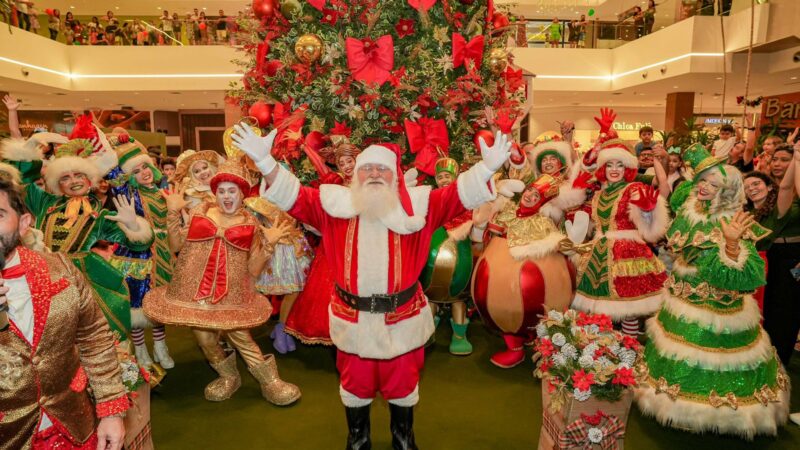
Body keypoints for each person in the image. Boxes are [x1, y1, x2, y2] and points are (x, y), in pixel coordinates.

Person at [232, 123, 509, 449]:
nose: (375, 174)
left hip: (402, 321)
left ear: (394, 176)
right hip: (353, 321)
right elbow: (293, 195)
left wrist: (488, 166)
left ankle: (403, 438)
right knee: (354, 388)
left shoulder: (419, 208)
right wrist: (265, 162)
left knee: (404, 389)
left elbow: (458, 194)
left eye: (382, 168)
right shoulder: (333, 207)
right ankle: (358, 438)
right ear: (355, 176)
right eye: (367, 169)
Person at [635, 145, 789, 439]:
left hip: (715, 307)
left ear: (728, 191)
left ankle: (710, 413)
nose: (703, 187)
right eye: (702, 181)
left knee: (709, 356)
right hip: (682, 297)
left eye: (712, 184)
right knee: (675, 347)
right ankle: (672, 404)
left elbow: (747, 276)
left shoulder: (732, 219)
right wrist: (663, 161)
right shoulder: (691, 206)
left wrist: (731, 244)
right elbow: (669, 191)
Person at [145, 158, 301, 405]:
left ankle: (271, 383)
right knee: (205, 340)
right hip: (196, 294)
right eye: (222, 191)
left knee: (242, 338)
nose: (227, 196)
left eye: (232, 191)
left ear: (242, 195)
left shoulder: (250, 224)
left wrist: (268, 244)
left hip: (231, 295)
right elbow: (175, 246)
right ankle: (229, 377)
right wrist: (173, 212)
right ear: (215, 192)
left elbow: (253, 269)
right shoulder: (201, 213)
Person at [0, 173, 130, 450]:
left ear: (23, 223)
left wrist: (111, 409)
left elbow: (94, 337)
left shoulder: (61, 269)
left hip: (75, 425)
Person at [571, 139, 669, 335]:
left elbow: (650, 221)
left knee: (628, 308)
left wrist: (649, 211)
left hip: (627, 253)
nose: (614, 169)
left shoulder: (633, 189)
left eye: (620, 165)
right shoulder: (598, 194)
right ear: (603, 169)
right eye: (609, 165)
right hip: (599, 253)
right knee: (600, 307)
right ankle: (604, 348)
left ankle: (629, 345)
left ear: (628, 169)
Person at [282, 142, 361, 349]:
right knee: (325, 285)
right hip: (334, 241)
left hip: (361, 243)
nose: (345, 166)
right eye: (341, 162)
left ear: (358, 160)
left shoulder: (369, 182)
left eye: (349, 161)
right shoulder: (335, 182)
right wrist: (304, 144)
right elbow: (320, 170)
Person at [109, 138, 175, 370]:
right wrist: (111, 152)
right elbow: (115, 182)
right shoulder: (130, 195)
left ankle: (160, 346)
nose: (144, 172)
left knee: (158, 305)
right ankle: (140, 350)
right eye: (136, 171)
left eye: (145, 166)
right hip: (137, 256)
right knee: (136, 306)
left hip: (163, 254)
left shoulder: (163, 192)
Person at [419, 156, 476, 355]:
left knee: (458, 299)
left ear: (455, 178)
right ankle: (427, 332)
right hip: (430, 264)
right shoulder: (430, 200)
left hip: (460, 258)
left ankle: (459, 336)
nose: (444, 179)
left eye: (447, 176)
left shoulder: (464, 201)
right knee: (431, 299)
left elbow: (474, 222)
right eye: (440, 176)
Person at [758, 144, 800, 365]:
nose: (777, 164)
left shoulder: (793, 190)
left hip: (794, 257)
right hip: (768, 255)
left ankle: (780, 359)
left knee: (788, 309)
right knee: (768, 308)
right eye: (775, 159)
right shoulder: (765, 188)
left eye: (784, 159)